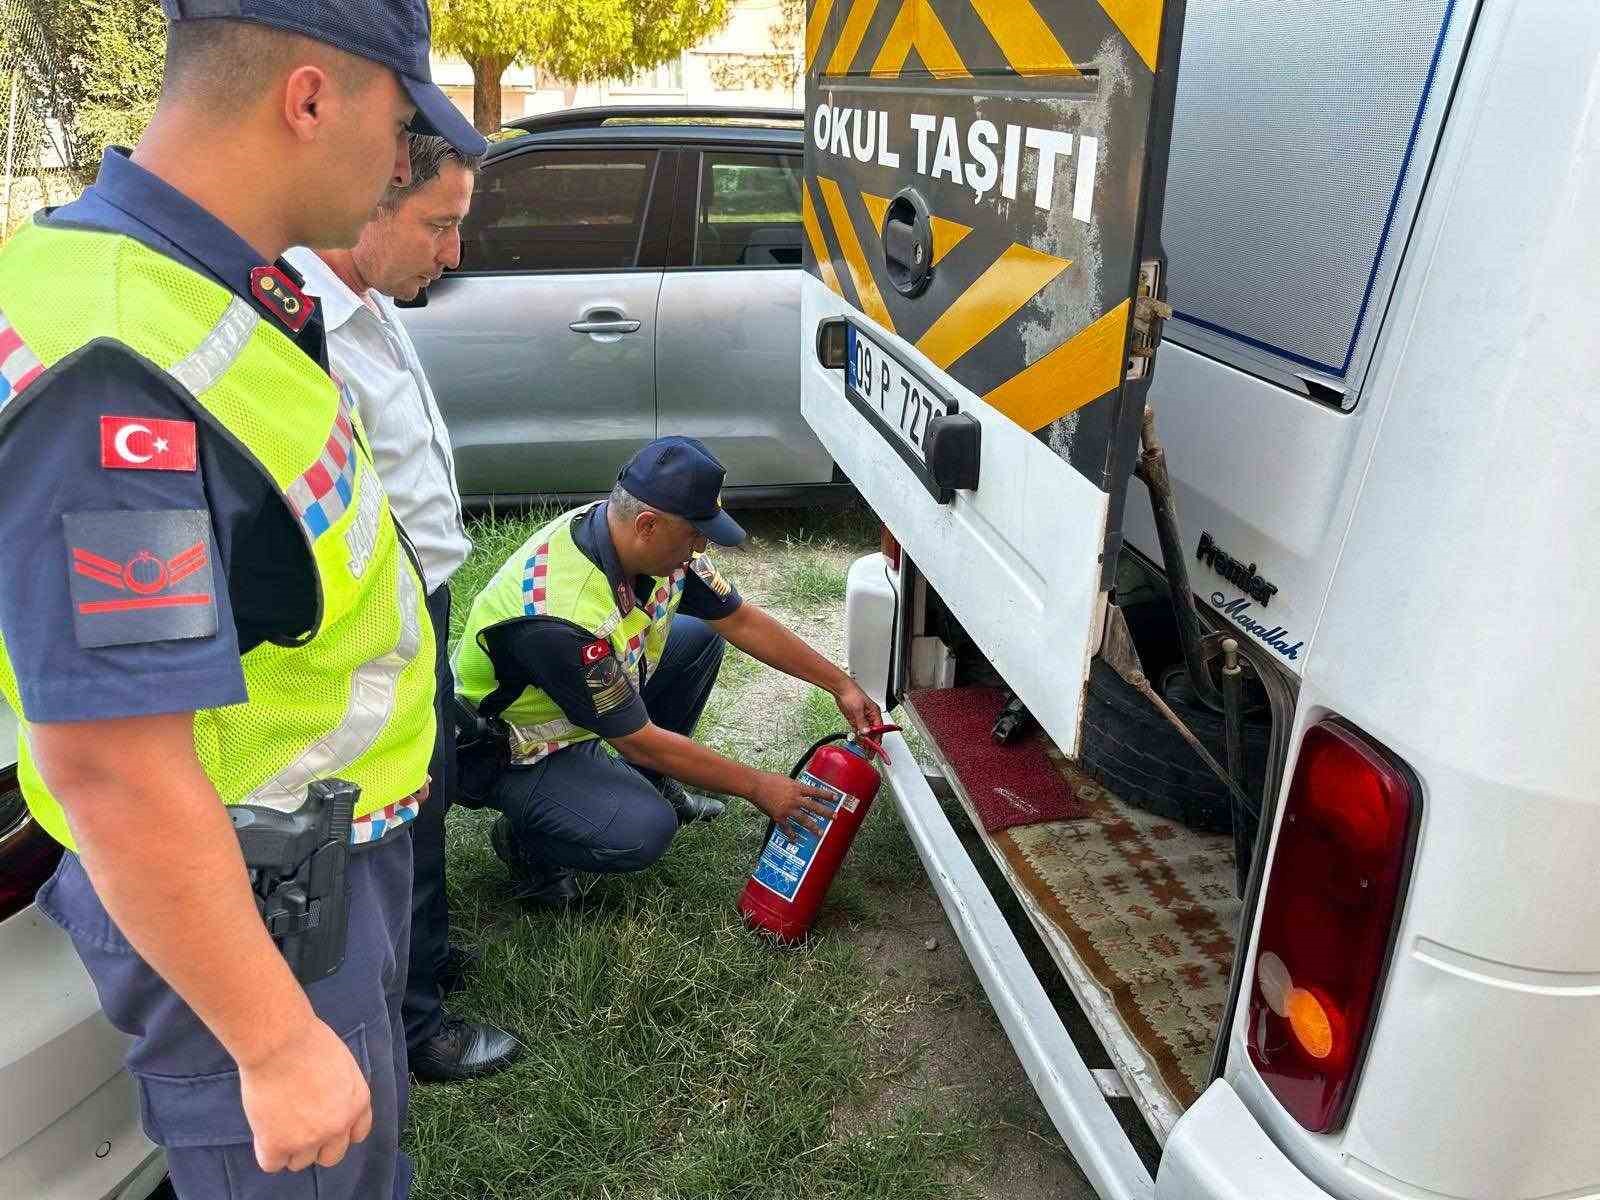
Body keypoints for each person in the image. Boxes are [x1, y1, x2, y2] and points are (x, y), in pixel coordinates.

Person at [0, 2, 487, 1197]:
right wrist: (272, 1042)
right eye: (397, 118)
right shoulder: (119, 355)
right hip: (254, 896)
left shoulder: (205, 287)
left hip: (302, 863)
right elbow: (110, 759)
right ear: (309, 99)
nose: (398, 160)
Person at [283, 134, 520, 1083]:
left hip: (421, 594)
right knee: (401, 806)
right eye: (441, 225)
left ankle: (424, 957)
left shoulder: (369, 300)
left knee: (433, 786)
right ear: (369, 201)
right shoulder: (305, 328)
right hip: (377, 615)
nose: (453, 253)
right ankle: (414, 1022)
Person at [454, 437, 884, 904]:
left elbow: (738, 618)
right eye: (695, 533)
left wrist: (839, 684)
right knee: (643, 829)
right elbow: (636, 738)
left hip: (580, 707)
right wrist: (759, 787)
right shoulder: (561, 616)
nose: (701, 546)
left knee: (698, 638)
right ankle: (526, 843)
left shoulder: (637, 537)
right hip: (512, 748)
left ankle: (652, 782)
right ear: (647, 525)